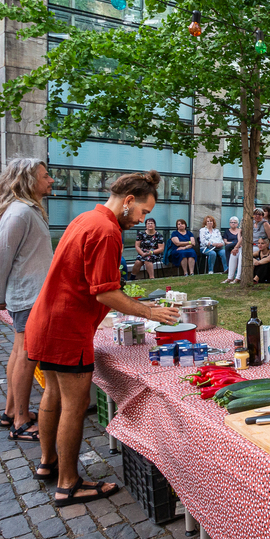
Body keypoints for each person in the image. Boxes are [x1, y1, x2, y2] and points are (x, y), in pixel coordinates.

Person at [25, 171, 179, 505]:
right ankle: (68, 484)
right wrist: (151, 313)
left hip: (47, 322)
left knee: (52, 393)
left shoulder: (86, 217)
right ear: (128, 202)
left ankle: (47, 464)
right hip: (67, 329)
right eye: (143, 213)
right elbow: (105, 294)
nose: (141, 221)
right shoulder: (107, 229)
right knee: (75, 405)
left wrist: (139, 304)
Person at [0, 158, 54, 442]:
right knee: (26, 356)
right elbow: (1, 256)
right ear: (28, 181)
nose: (50, 179)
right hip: (28, 295)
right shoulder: (19, 213)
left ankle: (10, 412)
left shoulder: (27, 210)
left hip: (31, 293)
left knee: (19, 352)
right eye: (45, 175)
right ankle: (20, 421)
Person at [223, 216, 242, 283]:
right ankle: (230, 277)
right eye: (231, 222)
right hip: (234, 246)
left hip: (239, 246)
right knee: (233, 253)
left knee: (238, 253)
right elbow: (225, 242)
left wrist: (239, 233)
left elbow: (240, 240)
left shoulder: (240, 231)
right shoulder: (227, 231)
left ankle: (238, 277)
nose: (233, 224)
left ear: (238, 224)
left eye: (235, 222)